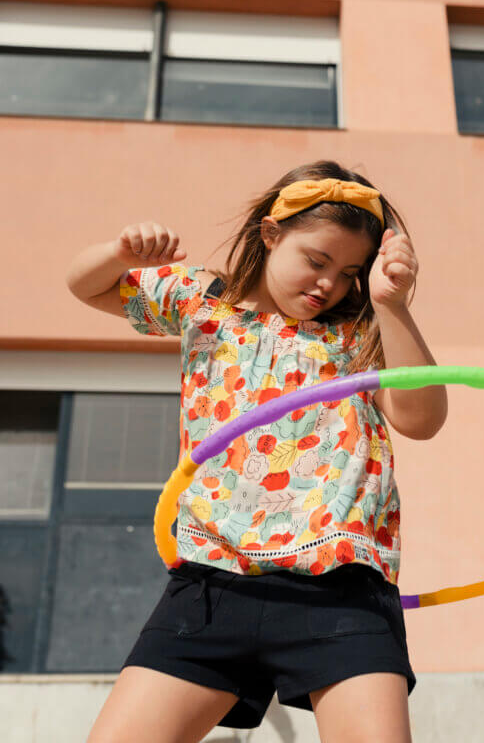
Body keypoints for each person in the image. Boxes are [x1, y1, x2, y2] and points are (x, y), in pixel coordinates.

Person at [66, 158, 447, 743]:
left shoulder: (359, 334)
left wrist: (392, 304)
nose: (329, 284)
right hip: (213, 582)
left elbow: (422, 421)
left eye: (348, 272)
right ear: (271, 234)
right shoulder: (202, 303)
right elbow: (83, 284)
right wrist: (121, 253)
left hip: (339, 585)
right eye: (316, 261)